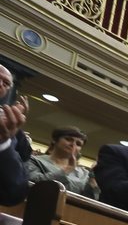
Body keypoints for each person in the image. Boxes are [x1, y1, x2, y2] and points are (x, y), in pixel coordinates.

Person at [25, 126, 98, 197]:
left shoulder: (84, 174)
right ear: (55, 140)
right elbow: (33, 183)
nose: (73, 145)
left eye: (78, 144)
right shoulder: (34, 160)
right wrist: (66, 170)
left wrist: (94, 181)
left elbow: (91, 199)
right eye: (68, 139)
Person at [0, 66, 28, 206]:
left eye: (5, 83)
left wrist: (3, 143)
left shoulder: (6, 120)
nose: (0, 84)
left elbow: (14, 193)